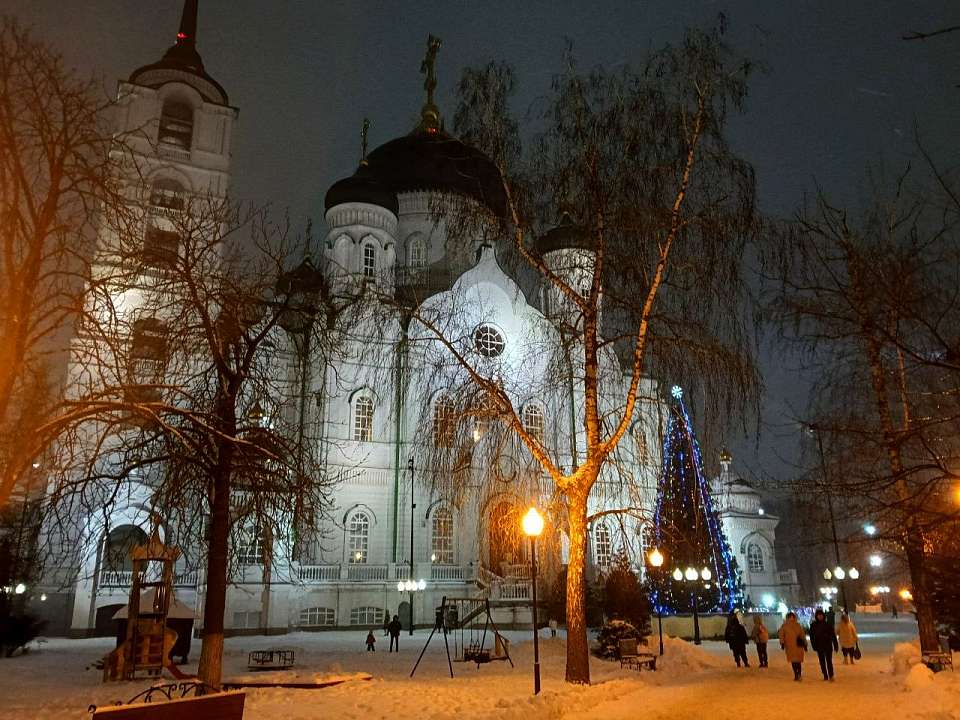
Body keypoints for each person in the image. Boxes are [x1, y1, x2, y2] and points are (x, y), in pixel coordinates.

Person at [809, 608, 839, 681]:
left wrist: (835, 645)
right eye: (818, 615)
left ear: (823, 616)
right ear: (816, 616)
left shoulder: (828, 624)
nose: (820, 617)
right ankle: (825, 674)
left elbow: (833, 635)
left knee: (829, 661)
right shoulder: (813, 625)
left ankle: (831, 675)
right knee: (822, 661)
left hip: (828, 645)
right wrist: (814, 645)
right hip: (819, 646)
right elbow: (812, 637)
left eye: (821, 615)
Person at [777, 612, 807, 681]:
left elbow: (802, 635)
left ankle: (798, 674)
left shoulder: (797, 625)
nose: (791, 618)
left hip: (798, 645)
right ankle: (796, 674)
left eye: (792, 617)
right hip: (790, 645)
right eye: (790, 617)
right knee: (794, 661)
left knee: (798, 661)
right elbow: (781, 635)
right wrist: (782, 643)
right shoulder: (785, 626)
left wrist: (805, 643)